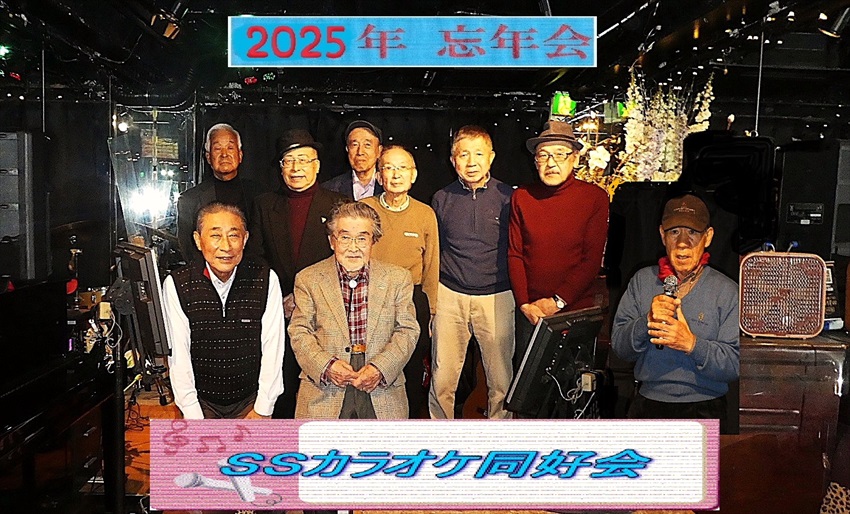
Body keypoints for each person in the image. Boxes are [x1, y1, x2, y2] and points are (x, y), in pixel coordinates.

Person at [611, 193, 739, 431]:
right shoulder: (642, 281)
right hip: (647, 405)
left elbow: (734, 365)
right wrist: (647, 322)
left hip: (706, 408)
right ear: (662, 235)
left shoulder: (727, 291)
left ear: (708, 237)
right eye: (674, 232)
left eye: (692, 232)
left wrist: (691, 344)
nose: (682, 242)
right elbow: (619, 348)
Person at [247, 129, 347, 419]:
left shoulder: (338, 205)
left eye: (303, 160)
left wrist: (304, 297)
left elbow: (344, 259)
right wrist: (281, 297)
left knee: (323, 393)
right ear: (280, 168)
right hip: (280, 311)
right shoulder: (264, 204)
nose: (296, 168)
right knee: (283, 388)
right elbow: (256, 258)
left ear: (317, 165)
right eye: (289, 161)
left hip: (327, 313)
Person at [288, 201, 419, 419]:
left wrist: (380, 368)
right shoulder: (308, 279)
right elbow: (299, 331)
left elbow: (407, 330)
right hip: (325, 389)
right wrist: (327, 366)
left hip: (382, 388)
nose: (353, 247)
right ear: (332, 241)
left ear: (373, 241)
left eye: (362, 238)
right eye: (345, 237)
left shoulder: (398, 278)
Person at [163, 202, 285, 419]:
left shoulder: (265, 278)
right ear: (198, 240)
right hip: (200, 402)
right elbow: (179, 356)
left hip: (252, 401)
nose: (226, 246)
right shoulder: (177, 284)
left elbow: (273, 347)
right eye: (215, 236)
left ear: (245, 239)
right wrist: (192, 412)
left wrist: (263, 408)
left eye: (233, 236)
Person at [428, 125, 515, 420]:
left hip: (497, 295)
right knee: (442, 378)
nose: (471, 162)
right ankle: (439, 436)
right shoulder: (441, 198)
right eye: (464, 154)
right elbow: (435, 250)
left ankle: (500, 437)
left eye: (479, 154)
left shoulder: (508, 197)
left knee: (501, 381)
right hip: (449, 294)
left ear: (491, 157)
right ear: (453, 160)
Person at [508, 120, 609, 369]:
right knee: (528, 385)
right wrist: (524, 304)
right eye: (543, 155)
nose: (551, 163)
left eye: (560, 154)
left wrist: (557, 302)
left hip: (575, 312)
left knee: (573, 386)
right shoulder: (522, 197)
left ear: (575, 158)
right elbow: (515, 254)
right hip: (531, 314)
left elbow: (591, 260)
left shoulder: (594, 198)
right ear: (535, 162)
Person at [361, 145, 439, 419]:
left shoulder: (425, 214)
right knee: (373, 366)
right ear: (379, 176)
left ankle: (409, 425)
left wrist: (431, 312)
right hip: (370, 297)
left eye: (402, 168)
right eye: (389, 168)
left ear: (413, 175)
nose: (396, 175)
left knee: (412, 369)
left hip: (411, 299)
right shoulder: (365, 210)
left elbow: (432, 266)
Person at [177, 123, 264, 261]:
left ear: (240, 155)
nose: (224, 154)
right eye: (217, 148)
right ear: (208, 157)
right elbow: (189, 251)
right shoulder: (189, 200)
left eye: (230, 148)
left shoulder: (260, 195)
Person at [322, 120, 385, 200]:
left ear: (379, 151)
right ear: (347, 149)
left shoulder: (389, 186)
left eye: (367, 145)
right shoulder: (330, 189)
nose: (360, 152)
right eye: (354, 145)